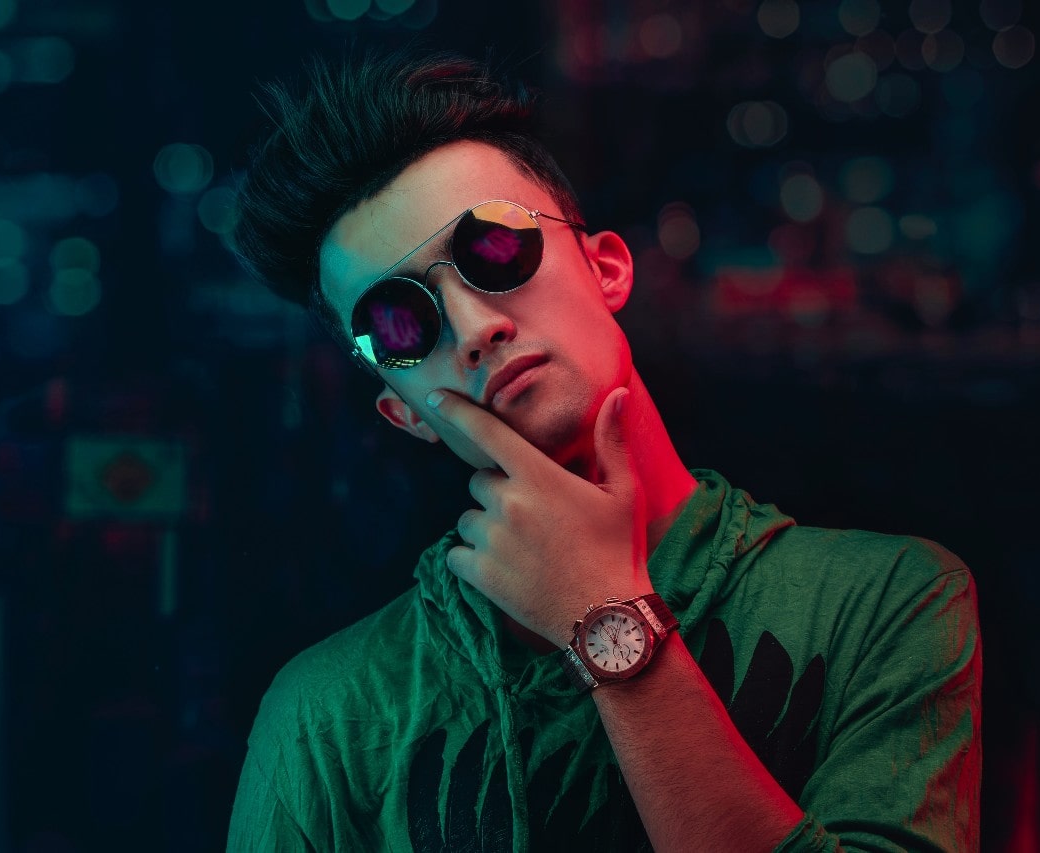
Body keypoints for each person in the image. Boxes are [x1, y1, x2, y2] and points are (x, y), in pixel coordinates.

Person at [225, 49, 981, 852]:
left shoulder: (886, 601)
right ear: (400, 411)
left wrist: (605, 619)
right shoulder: (328, 713)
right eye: (402, 323)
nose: (477, 328)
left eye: (494, 249)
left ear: (606, 266)